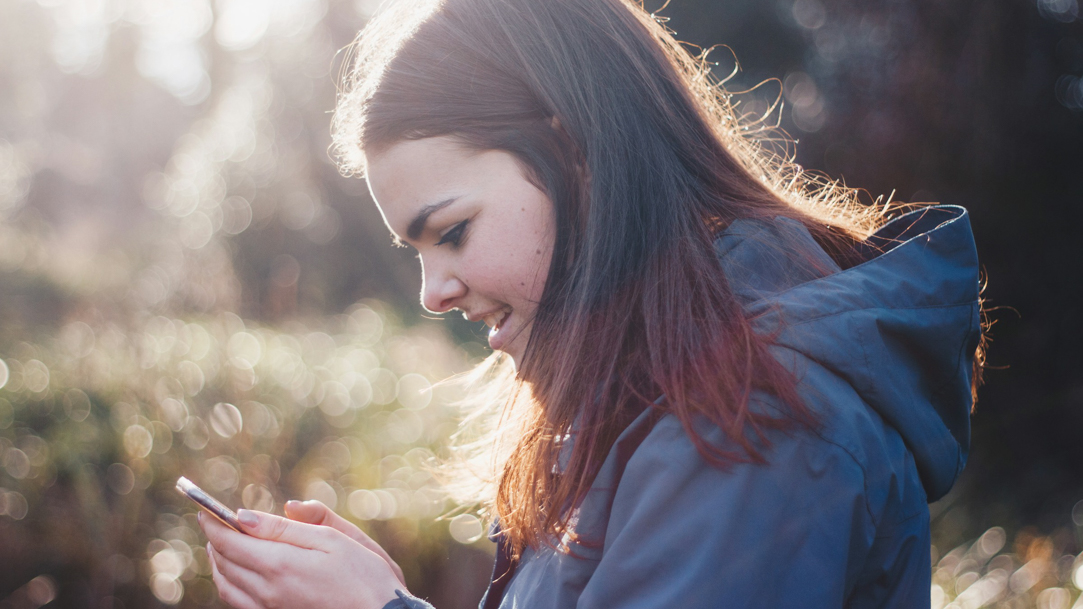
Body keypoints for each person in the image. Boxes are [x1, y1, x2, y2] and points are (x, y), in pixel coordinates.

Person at [198, 0, 985, 607]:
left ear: (574, 152)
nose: (432, 292)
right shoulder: (653, 395)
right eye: (418, 252)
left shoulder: (755, 419)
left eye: (451, 231)